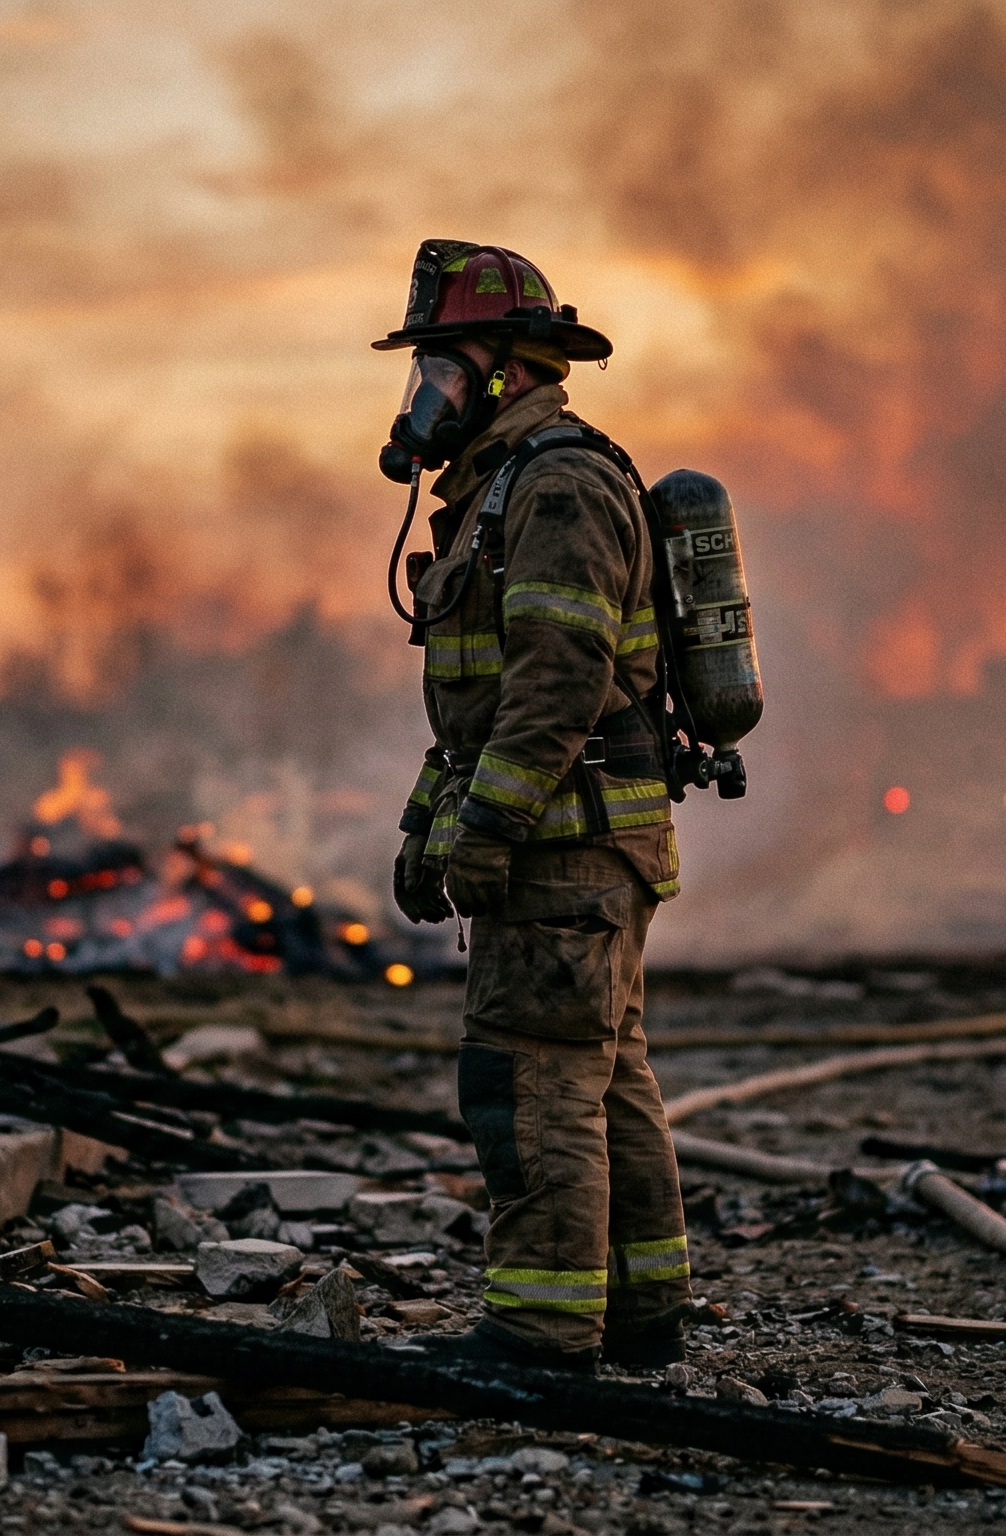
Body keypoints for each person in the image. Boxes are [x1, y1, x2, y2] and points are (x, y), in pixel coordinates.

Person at [376, 240, 690, 1372]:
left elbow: (558, 680)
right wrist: (429, 821)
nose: (423, 399)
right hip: (583, 841)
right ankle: (641, 1312)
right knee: (603, 1072)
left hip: (562, 846)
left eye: (443, 372)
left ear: (509, 372)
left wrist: (489, 829)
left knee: (532, 1076)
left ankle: (541, 1331)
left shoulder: (556, 484)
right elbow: (481, 704)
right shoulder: (504, 489)